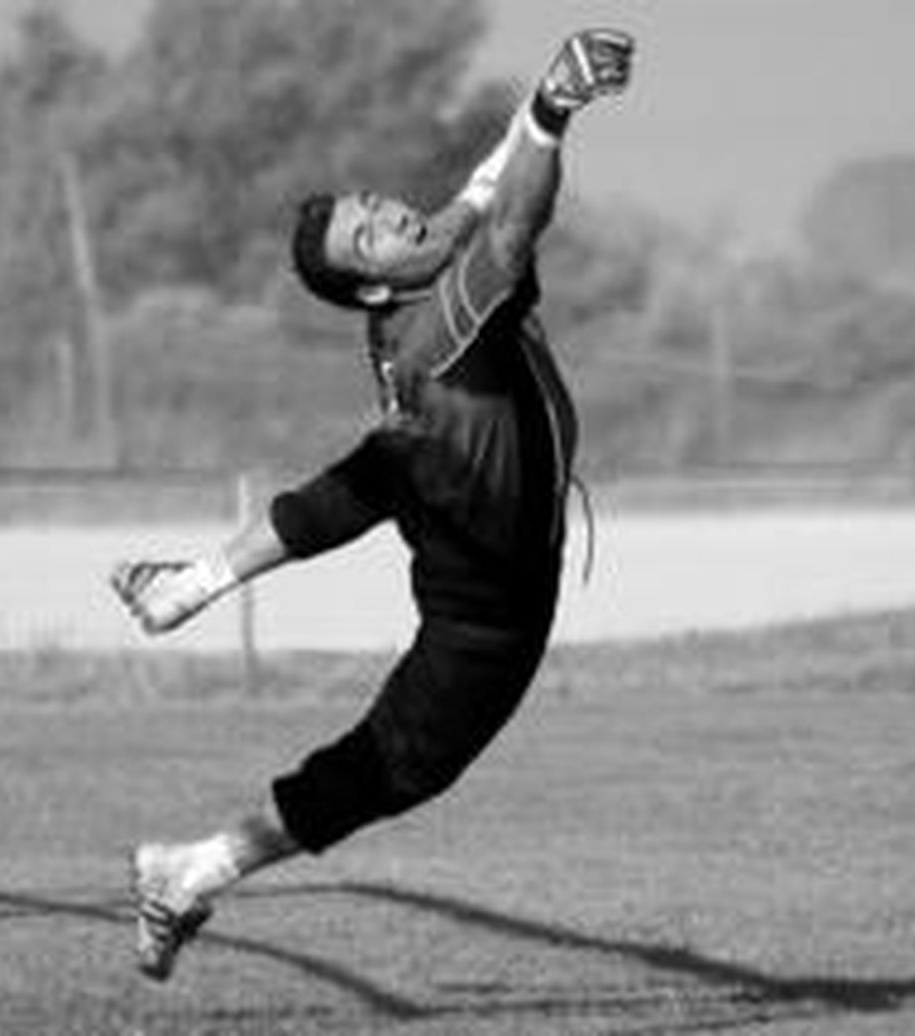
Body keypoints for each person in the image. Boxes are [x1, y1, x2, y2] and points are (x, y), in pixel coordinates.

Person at [110, 28, 635, 982]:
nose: (390, 211)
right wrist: (554, 110)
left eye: (373, 203)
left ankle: (187, 594)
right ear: (373, 282)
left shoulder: (419, 275)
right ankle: (189, 870)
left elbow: (480, 191)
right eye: (370, 228)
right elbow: (512, 220)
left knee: (381, 473)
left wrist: (551, 95)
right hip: (482, 623)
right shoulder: (442, 319)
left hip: (480, 561)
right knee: (394, 769)